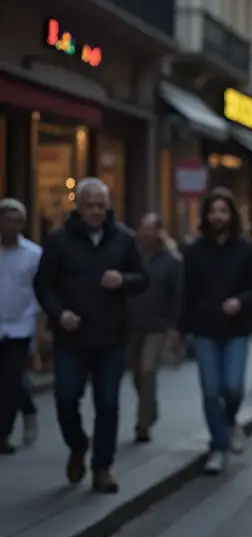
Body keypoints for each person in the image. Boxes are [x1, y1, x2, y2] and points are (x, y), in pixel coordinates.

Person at [33, 179, 149, 493]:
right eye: (90, 206)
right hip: (71, 337)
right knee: (66, 398)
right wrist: (60, 313)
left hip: (111, 337)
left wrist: (123, 279)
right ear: (79, 206)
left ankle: (102, 468)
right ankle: (78, 444)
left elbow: (142, 280)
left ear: (108, 206)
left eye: (101, 205)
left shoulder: (124, 239)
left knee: (108, 404)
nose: (96, 211)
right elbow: (44, 284)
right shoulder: (59, 240)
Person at [171, 189, 252, 475]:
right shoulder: (195, 251)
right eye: (213, 211)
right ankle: (218, 446)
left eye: (223, 211)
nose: (218, 217)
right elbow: (185, 292)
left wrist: (240, 301)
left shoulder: (246, 250)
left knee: (232, 387)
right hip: (204, 329)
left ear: (231, 215)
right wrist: (179, 329)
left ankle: (230, 420)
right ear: (206, 216)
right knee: (211, 390)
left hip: (236, 330)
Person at [125, 213, 182, 442]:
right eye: (143, 229)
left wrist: (175, 327)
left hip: (157, 325)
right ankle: (151, 406)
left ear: (159, 231)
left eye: (150, 229)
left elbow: (178, 296)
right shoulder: (131, 255)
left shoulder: (172, 261)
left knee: (148, 369)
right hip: (132, 322)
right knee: (135, 373)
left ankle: (143, 424)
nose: (146, 234)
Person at [0, 198, 42, 455]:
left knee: (12, 378)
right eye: (7, 219)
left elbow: (40, 291)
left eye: (18, 220)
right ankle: (28, 407)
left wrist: (41, 327)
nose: (12, 225)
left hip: (21, 325)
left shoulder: (34, 254)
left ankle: (3, 434)